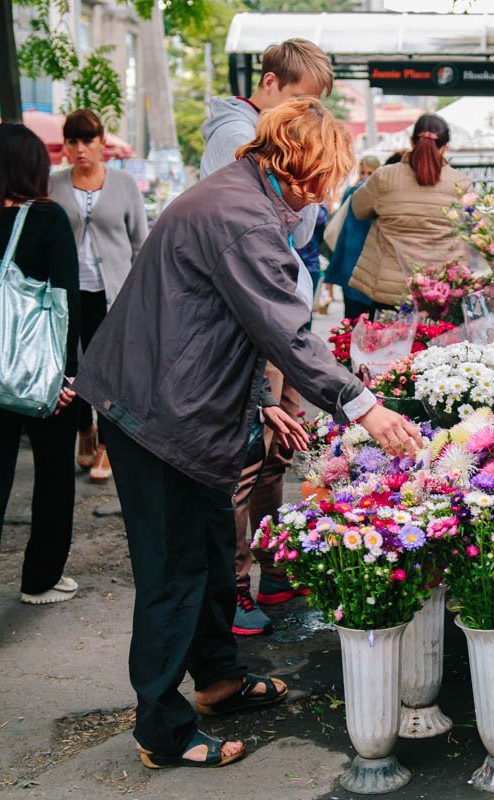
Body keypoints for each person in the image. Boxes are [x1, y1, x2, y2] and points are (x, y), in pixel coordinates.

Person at [74, 98, 421, 769]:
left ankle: (217, 678)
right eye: (327, 177)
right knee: (173, 571)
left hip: (180, 404)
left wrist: (261, 400)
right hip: (154, 414)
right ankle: (161, 729)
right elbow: (282, 331)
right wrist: (364, 407)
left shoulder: (242, 197)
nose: (326, 192)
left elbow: (217, 316)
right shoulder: (241, 214)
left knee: (207, 552)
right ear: (305, 165)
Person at [199, 37, 334, 636]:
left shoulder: (267, 134)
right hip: (250, 321)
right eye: (301, 102)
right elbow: (289, 217)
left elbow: (302, 209)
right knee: (244, 457)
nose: (306, 119)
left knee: (278, 449)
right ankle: (234, 590)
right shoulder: (234, 137)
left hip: (279, 309)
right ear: (271, 85)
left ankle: (275, 571)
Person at [0, 123, 81, 653]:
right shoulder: (47, 218)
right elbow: (63, 302)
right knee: (52, 476)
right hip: (39, 376)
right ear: (34, 168)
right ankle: (40, 578)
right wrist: (65, 377)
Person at [51, 109, 148, 484]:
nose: (80, 149)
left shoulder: (123, 184)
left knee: (109, 373)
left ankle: (107, 443)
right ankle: (84, 431)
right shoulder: (53, 184)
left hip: (113, 294)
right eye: (73, 141)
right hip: (68, 294)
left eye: (87, 140)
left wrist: (140, 297)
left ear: (101, 142)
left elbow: (140, 244)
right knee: (70, 367)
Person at [349, 115, 470, 310]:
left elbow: (358, 209)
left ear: (412, 141)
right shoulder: (460, 183)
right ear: (446, 146)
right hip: (439, 291)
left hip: (388, 289)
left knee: (391, 340)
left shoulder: (384, 177)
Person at [324, 154, 380, 321]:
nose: (365, 177)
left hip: (358, 264)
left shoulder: (355, 193)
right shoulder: (353, 193)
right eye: (362, 173)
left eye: (370, 173)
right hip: (354, 261)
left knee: (353, 321)